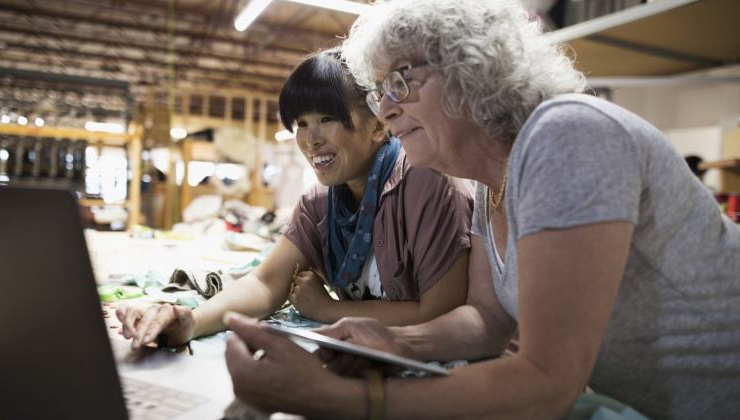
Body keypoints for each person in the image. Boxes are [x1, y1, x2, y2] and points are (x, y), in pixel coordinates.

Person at [223, 1, 740, 420]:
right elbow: (487, 321)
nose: (386, 109)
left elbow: (546, 382)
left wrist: (344, 398)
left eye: (400, 81)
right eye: (380, 90)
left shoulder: (568, 135)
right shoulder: (490, 182)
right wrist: (393, 342)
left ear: (470, 70)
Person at [117, 49, 474, 350]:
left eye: (327, 119)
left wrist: (328, 311)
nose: (311, 140)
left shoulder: (425, 182)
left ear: (379, 125)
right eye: (301, 124)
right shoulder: (321, 201)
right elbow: (265, 283)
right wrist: (191, 322)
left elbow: (440, 312)